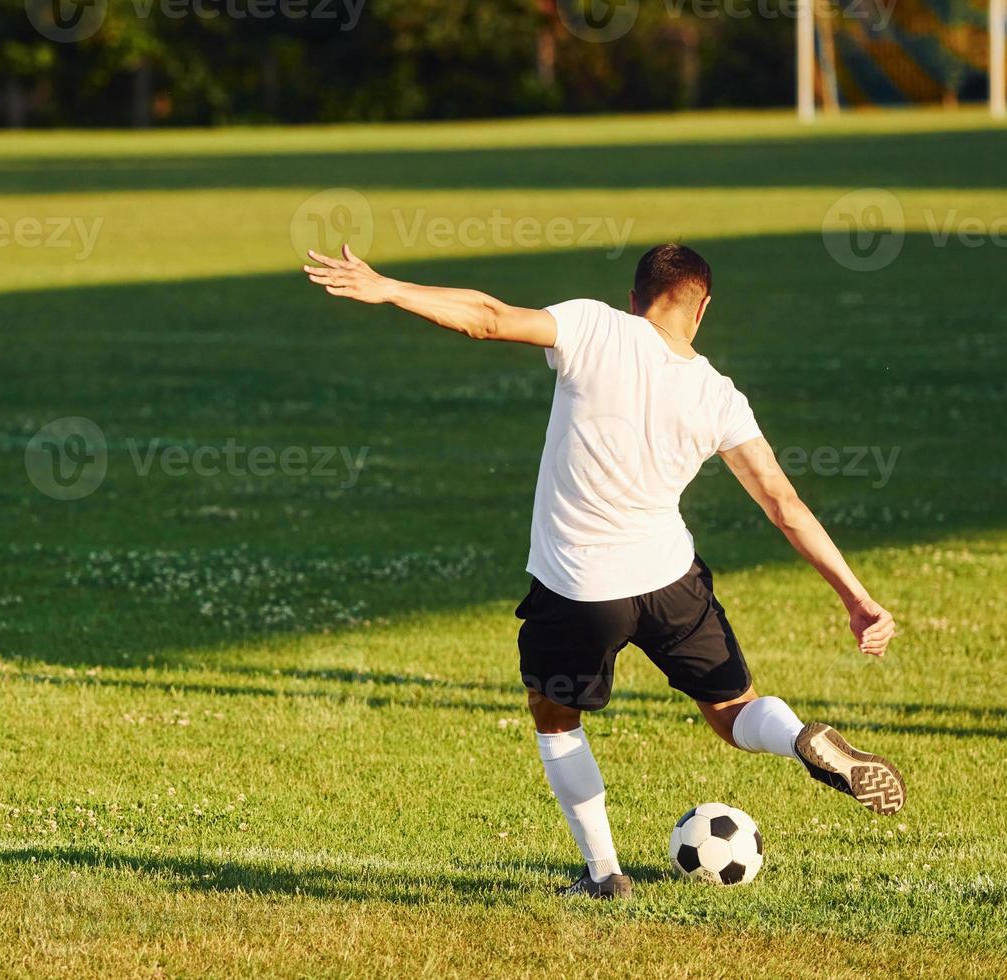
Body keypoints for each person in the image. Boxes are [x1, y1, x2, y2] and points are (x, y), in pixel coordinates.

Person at [303, 242, 904, 900]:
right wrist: (856, 598)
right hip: (671, 583)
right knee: (734, 712)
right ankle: (800, 739)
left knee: (555, 715)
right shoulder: (718, 395)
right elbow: (784, 506)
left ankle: (603, 875)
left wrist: (389, 287)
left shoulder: (596, 326)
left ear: (633, 297)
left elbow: (488, 317)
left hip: (579, 593)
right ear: (702, 308)